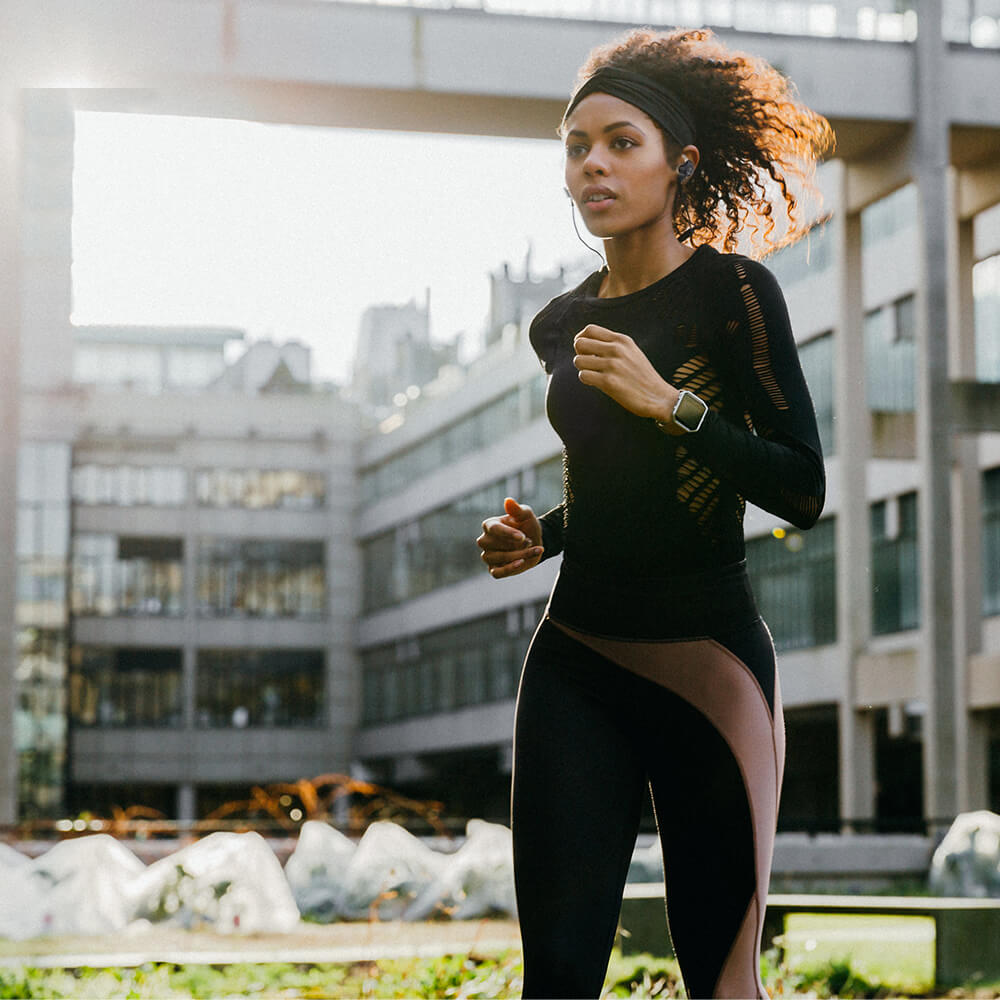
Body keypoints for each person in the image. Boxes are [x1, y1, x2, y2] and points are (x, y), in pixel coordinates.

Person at [476, 26, 833, 1000]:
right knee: (554, 977)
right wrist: (540, 534)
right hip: (575, 663)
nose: (591, 162)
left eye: (619, 141)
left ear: (681, 164)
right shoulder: (559, 323)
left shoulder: (732, 295)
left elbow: (800, 487)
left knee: (720, 982)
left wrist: (669, 403)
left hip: (707, 669)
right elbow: (611, 485)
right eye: (575, 144)